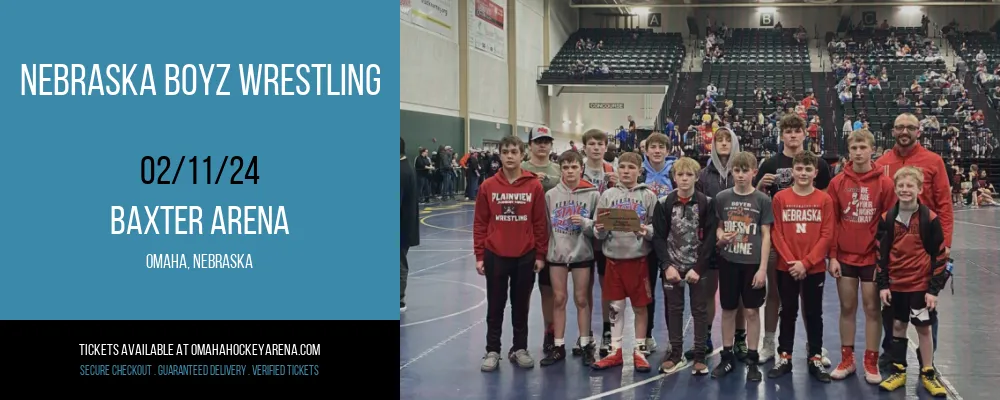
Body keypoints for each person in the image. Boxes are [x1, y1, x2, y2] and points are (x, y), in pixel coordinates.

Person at [874, 113, 953, 371]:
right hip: (894, 248)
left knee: (926, 305)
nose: (904, 131)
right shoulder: (882, 162)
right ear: (893, 131)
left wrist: (946, 244)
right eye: (899, 127)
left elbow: (944, 204)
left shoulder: (934, 161)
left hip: (925, 248)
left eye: (910, 127)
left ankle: (926, 361)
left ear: (918, 131)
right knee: (891, 307)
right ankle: (892, 355)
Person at [754, 114, 833, 365]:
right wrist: (759, 186)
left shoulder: (818, 164)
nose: (792, 135)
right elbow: (756, 201)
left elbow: (826, 202)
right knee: (776, 296)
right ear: (782, 135)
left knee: (809, 299)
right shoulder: (769, 163)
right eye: (787, 131)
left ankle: (814, 346)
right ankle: (769, 342)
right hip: (779, 239)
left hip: (809, 239)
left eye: (796, 131)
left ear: (803, 134)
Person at [826, 129, 896, 383]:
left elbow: (889, 225)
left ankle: (871, 361)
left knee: (872, 308)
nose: (858, 152)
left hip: (871, 258)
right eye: (854, 148)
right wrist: (832, 256)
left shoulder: (885, 184)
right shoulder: (837, 183)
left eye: (862, 147)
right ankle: (847, 359)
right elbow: (831, 221)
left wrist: (883, 260)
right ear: (849, 151)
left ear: (872, 150)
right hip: (844, 256)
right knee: (847, 307)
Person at [474, 135, 549, 372]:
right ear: (499, 154)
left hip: (525, 255)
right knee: (495, 306)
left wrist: (540, 254)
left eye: (513, 152)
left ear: (522, 154)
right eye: (505, 152)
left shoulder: (534, 185)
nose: (509, 156)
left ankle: (520, 348)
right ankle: (492, 350)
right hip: (495, 254)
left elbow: (539, 223)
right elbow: (480, 223)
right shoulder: (488, 186)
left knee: (521, 306)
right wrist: (479, 255)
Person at [875, 166, 950, 397]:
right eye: (901, 186)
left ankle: (928, 372)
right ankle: (899, 371)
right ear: (895, 189)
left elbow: (940, 256)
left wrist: (933, 290)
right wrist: (884, 285)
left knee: (923, 328)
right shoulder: (887, 219)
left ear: (919, 189)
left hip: (920, 287)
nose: (905, 189)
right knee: (898, 326)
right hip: (897, 286)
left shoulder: (930, 219)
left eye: (910, 186)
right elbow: (880, 254)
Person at [767, 151, 835, 383]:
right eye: (799, 169)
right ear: (792, 171)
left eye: (808, 169)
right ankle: (784, 355)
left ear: (815, 173)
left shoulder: (824, 200)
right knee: (787, 311)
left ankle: (815, 356)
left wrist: (806, 263)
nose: (803, 173)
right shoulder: (781, 199)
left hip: (813, 268)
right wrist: (791, 262)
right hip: (787, 267)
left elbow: (826, 235)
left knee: (814, 313)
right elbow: (777, 233)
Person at [590, 151, 658, 372]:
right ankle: (615, 351)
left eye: (631, 167)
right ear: (617, 170)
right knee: (616, 307)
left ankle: (639, 350)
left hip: (638, 261)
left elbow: (657, 229)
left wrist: (645, 230)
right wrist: (598, 230)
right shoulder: (608, 195)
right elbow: (598, 231)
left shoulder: (648, 195)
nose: (626, 171)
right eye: (623, 167)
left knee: (640, 307)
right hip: (613, 260)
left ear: (640, 171)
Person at [710, 151, 772, 382]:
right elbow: (719, 226)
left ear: (754, 172)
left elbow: (766, 236)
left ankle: (752, 358)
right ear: (731, 172)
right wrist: (721, 236)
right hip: (729, 262)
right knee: (728, 310)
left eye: (745, 171)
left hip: (752, 264)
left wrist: (763, 268)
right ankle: (727, 357)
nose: (741, 175)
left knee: (752, 312)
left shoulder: (762, 200)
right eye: (737, 170)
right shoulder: (722, 197)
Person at [652, 157, 716, 376]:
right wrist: (666, 266)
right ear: (674, 177)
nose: (684, 179)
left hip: (697, 267)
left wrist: (699, 268)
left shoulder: (706, 203)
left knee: (699, 310)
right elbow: (659, 238)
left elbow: (709, 239)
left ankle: (699, 355)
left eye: (689, 175)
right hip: (672, 267)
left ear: (696, 177)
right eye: (680, 174)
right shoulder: (663, 204)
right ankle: (675, 354)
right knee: (674, 310)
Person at [540, 151, 600, 367]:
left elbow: (599, 229)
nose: (570, 171)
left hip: (582, 253)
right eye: (565, 167)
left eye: (574, 167)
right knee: (559, 299)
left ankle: (585, 344)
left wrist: (585, 222)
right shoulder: (551, 195)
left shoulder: (592, 194)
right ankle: (558, 345)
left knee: (582, 299)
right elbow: (546, 227)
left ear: (581, 168)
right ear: (561, 170)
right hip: (557, 254)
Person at [694, 127, 745, 361]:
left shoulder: (742, 169)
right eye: (719, 140)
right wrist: (715, 234)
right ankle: (704, 337)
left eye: (727, 139)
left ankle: (740, 338)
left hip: (741, 240)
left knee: (740, 294)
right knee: (709, 292)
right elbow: (699, 209)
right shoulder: (704, 175)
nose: (723, 143)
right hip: (712, 241)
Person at [521, 126, 562, 356]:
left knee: (549, 291)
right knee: (523, 292)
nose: (542, 145)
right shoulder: (520, 168)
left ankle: (550, 332)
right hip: (523, 240)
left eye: (546, 141)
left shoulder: (558, 170)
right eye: (538, 141)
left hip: (551, 240)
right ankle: (521, 337)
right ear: (530, 145)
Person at [579, 129, 619, 357]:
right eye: (591, 143)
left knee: (607, 288)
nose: (595, 147)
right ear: (585, 147)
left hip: (606, 237)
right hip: (583, 236)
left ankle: (606, 330)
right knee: (583, 290)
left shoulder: (612, 171)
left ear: (606, 147)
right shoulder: (578, 170)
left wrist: (617, 184)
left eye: (599, 144)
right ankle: (585, 334)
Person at [637, 132, 677, 354]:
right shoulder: (640, 172)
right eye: (653, 146)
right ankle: (648, 334)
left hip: (669, 240)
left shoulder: (673, 172)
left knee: (671, 290)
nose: (657, 150)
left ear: (668, 151)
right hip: (644, 239)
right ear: (647, 149)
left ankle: (674, 338)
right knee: (647, 289)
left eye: (662, 147)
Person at [400, 137, 420, 312]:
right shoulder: (407, 168)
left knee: (398, 263)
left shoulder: (400, 171)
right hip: (405, 225)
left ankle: (398, 299)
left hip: (400, 228)